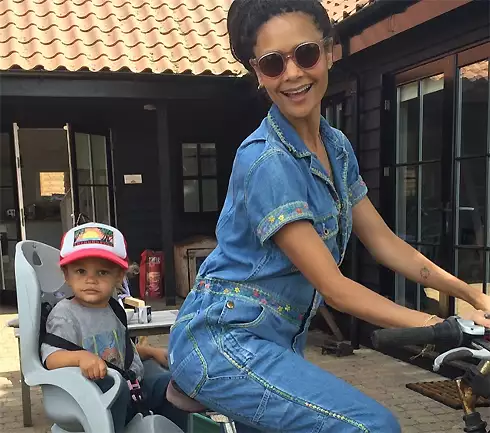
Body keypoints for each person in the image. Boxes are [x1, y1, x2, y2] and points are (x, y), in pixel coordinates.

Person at [168, 1, 490, 432]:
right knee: (371, 425)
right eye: (273, 63)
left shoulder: (335, 146)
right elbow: (334, 289)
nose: (292, 74)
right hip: (224, 342)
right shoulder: (268, 161)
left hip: (273, 345)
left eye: (305, 54)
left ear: (329, 51)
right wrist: (443, 327)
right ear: (257, 73)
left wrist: (470, 295)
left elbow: (384, 242)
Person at [41, 222, 186, 433]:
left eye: (102, 272)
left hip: (129, 386)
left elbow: (120, 352)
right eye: (81, 271)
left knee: (173, 387)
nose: (90, 280)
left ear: (118, 276)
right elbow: (51, 358)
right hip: (93, 397)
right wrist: (81, 358)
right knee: (117, 391)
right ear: (66, 275)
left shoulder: (113, 309)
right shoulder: (65, 315)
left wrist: (152, 352)